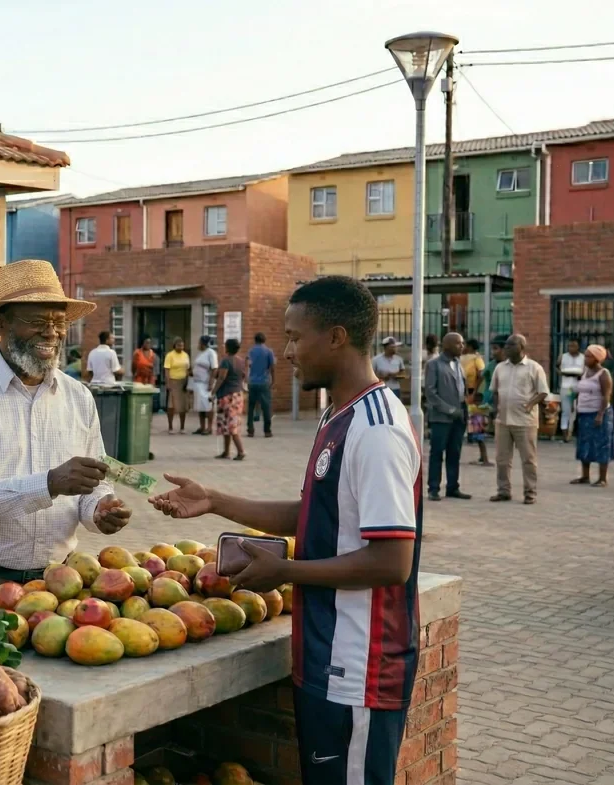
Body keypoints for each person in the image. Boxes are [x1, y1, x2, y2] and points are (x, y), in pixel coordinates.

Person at [148, 275, 420, 785]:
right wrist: (215, 500)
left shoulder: (377, 429)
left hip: (359, 668)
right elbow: (317, 513)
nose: (288, 351)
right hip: (324, 656)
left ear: (336, 337)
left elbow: (392, 562)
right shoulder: (338, 415)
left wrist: (286, 570)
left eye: (296, 337)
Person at [0, 260, 131, 584]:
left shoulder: (78, 396)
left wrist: (100, 508)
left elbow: (94, 482)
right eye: (37, 321)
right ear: (1, 323)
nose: (51, 332)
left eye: (59, 322)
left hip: (60, 582)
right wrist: (49, 483)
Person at [489, 334, 550, 505]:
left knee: (528, 459)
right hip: (503, 420)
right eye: (506, 345)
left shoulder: (534, 368)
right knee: (502, 459)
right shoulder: (500, 368)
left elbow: (543, 392)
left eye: (511, 345)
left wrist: (531, 404)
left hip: (525, 421)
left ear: (522, 347)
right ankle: (503, 491)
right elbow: (494, 391)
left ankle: (530, 493)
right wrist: (495, 410)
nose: (506, 348)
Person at [424, 333, 470, 502]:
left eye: (463, 343)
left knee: (454, 453)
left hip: (459, 417)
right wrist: (449, 410)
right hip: (441, 418)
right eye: (459, 344)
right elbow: (430, 393)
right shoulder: (434, 365)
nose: (462, 346)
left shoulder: (458, 364)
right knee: (437, 453)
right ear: (448, 345)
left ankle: (453, 487)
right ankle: (433, 488)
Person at [571, 344, 614, 488]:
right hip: (584, 413)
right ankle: (585, 475)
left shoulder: (603, 374)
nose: (585, 358)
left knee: (601, 444)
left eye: (589, 356)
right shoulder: (585, 372)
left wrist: (600, 414)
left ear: (597, 359)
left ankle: (602, 478)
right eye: (586, 355)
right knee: (584, 444)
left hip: (598, 413)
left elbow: (606, 395)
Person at [212, 338, 248, 461]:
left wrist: (213, 392)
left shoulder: (226, 361)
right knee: (227, 425)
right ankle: (226, 451)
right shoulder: (241, 361)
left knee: (231, 426)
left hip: (227, 396)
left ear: (227, 347)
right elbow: (244, 376)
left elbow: (221, 377)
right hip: (238, 395)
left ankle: (241, 451)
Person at [246, 332, 275, 438]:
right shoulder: (268, 351)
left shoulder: (251, 351)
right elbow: (272, 367)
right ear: (264, 340)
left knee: (251, 407)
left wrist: (246, 379)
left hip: (253, 382)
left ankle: (250, 429)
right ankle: (267, 431)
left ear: (255, 340)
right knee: (266, 407)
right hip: (264, 382)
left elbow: (248, 365)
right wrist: (273, 381)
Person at [557, 340, 585, 442]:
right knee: (566, 410)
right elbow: (557, 368)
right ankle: (565, 434)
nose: (571, 348)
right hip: (566, 387)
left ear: (578, 347)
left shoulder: (583, 358)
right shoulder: (563, 356)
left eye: (573, 346)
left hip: (579, 387)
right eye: (569, 346)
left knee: (577, 410)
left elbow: (585, 372)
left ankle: (572, 431)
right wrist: (561, 373)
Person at [190, 336, 219, 435]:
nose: (198, 344)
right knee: (200, 406)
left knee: (208, 406)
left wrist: (211, 382)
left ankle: (209, 427)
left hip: (206, 383)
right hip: (198, 383)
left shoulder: (211, 353)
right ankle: (202, 427)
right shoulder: (200, 353)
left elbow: (214, 368)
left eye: (199, 342)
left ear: (203, 343)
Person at [163, 337, 191, 433]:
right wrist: (168, 383)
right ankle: (170, 427)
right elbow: (167, 370)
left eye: (182, 345)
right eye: (179, 345)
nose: (181, 347)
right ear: (174, 345)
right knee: (171, 405)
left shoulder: (186, 355)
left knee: (182, 405)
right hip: (173, 381)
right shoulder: (170, 355)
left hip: (183, 382)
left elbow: (187, 369)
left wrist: (187, 381)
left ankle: (182, 427)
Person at [373, 337, 405, 401]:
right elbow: (371, 374)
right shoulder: (376, 359)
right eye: (393, 347)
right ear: (386, 347)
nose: (396, 349)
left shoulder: (399, 359)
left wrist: (395, 375)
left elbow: (403, 374)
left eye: (396, 347)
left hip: (395, 389)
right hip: (381, 389)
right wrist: (381, 377)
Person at [466, 392, 491, 466]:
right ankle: (482, 458)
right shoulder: (473, 408)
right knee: (480, 443)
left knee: (481, 443)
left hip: (480, 429)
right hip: (476, 429)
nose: (477, 402)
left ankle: (485, 459)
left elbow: (486, 418)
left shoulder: (483, 409)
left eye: (479, 401)